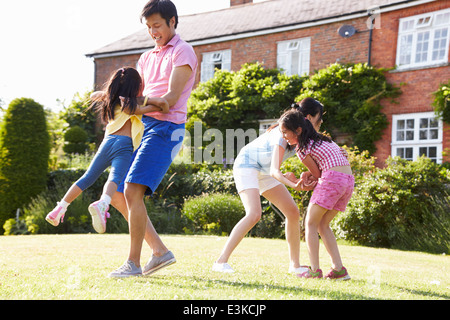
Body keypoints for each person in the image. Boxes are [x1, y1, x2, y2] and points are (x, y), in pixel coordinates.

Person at [108, 0, 198, 278]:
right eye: (148, 27)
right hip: (141, 126)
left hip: (166, 129)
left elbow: (169, 101)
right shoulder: (146, 58)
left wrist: (137, 104)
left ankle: (133, 264)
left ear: (172, 21)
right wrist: (112, 98)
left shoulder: (183, 52)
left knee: (132, 191)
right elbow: (137, 95)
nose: (153, 31)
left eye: (157, 25)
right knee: (116, 194)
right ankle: (159, 252)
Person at [45, 67, 169, 234]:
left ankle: (60, 208)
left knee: (87, 177)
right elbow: (163, 104)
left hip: (107, 142)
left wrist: (111, 93)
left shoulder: (112, 100)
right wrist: (150, 105)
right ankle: (103, 203)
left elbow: (93, 95)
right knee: (115, 177)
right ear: (136, 86)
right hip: (124, 144)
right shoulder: (136, 102)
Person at [212, 100, 323, 274]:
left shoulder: (301, 136)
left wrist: (298, 176)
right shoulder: (282, 133)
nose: (321, 123)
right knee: (254, 214)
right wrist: (293, 184)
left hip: (264, 171)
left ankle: (294, 266)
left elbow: (280, 168)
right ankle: (220, 262)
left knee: (292, 212)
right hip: (247, 165)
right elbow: (274, 170)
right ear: (309, 117)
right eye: (320, 119)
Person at [278, 107, 353, 280]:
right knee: (323, 224)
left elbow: (319, 175)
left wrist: (304, 178)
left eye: (285, 133)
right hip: (348, 181)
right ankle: (338, 269)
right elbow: (323, 168)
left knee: (310, 223)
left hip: (333, 179)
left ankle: (314, 270)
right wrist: (309, 175)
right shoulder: (325, 140)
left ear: (298, 130)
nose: (283, 137)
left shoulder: (302, 149)